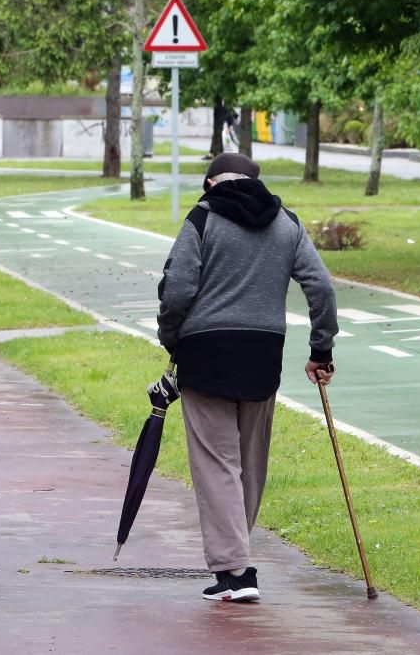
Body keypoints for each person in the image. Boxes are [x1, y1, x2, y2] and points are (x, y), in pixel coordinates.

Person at [156, 152, 338, 602]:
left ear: (211, 181)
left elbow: (177, 288)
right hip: (262, 353)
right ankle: (236, 558)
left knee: (217, 462)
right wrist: (321, 349)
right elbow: (321, 286)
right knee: (250, 463)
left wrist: (170, 337)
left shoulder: (202, 218)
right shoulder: (286, 222)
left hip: (206, 352)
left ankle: (235, 572)